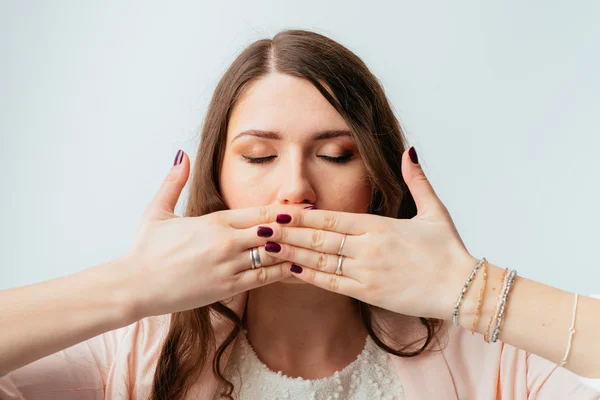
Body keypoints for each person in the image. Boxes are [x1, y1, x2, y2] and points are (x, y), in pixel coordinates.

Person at [1, 29, 599, 400]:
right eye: (259, 155)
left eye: (336, 155)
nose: (296, 190)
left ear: (378, 180)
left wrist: (473, 292)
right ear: (216, 180)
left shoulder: (487, 360)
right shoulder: (131, 363)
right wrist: (126, 286)